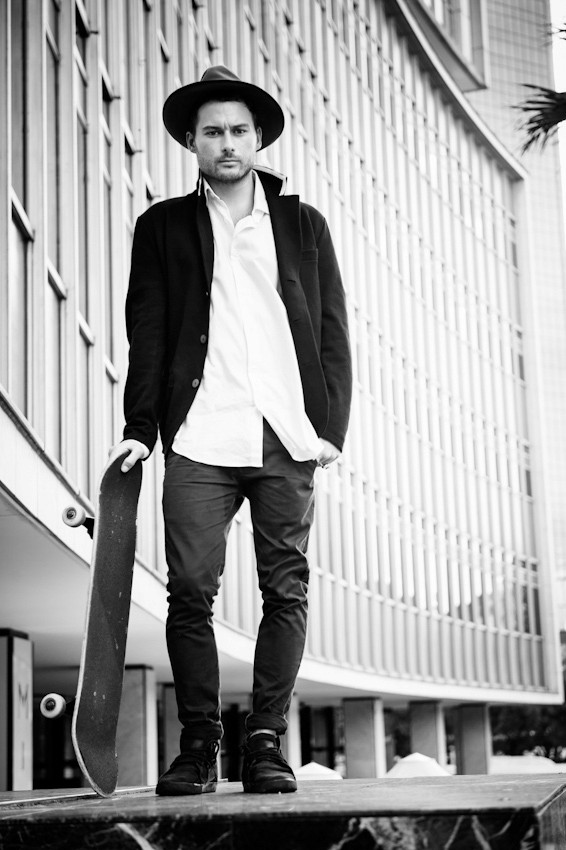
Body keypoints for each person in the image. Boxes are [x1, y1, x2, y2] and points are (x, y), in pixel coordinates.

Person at [109, 66, 352, 796]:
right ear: (192, 140)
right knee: (189, 591)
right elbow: (149, 334)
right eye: (212, 131)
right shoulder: (162, 227)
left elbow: (333, 331)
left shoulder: (303, 225)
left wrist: (330, 429)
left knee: (286, 589)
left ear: (258, 139)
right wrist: (140, 428)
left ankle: (267, 742)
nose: (227, 142)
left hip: (285, 435)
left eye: (239, 130)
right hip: (200, 435)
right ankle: (199, 745)